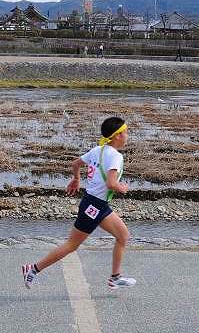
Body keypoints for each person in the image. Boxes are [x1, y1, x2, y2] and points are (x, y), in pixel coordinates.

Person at [22, 117, 136, 290]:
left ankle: (115, 277)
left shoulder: (98, 149)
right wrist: (122, 188)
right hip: (94, 207)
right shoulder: (116, 157)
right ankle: (33, 269)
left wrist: (76, 179)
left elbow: (75, 164)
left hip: (94, 204)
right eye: (126, 132)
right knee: (72, 245)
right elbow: (111, 184)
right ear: (118, 136)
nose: (128, 136)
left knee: (123, 236)